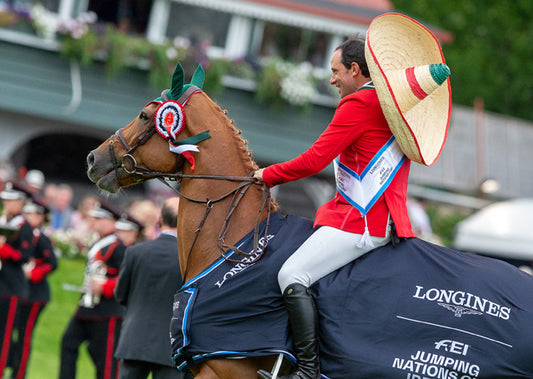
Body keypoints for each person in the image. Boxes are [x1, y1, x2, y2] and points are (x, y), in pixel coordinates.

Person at [254, 38, 416, 379]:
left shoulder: (358, 104)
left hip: (363, 220)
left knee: (291, 274)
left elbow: (315, 160)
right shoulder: (390, 104)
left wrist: (265, 175)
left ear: (355, 70)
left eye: (335, 71)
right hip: (382, 217)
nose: (332, 80)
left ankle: (308, 372)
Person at [114, 197, 190, 379]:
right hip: (173, 347)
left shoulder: (135, 252)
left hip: (134, 341)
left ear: (159, 220)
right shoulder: (190, 261)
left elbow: (120, 294)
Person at [59, 201, 126, 379]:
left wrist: (104, 286)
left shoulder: (118, 247)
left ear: (110, 221)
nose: (93, 221)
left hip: (107, 311)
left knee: (104, 359)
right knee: (68, 343)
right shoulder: (100, 242)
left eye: (98, 218)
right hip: (87, 307)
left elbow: (126, 279)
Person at [7, 198, 57, 379]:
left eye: (34, 214)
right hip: (18, 290)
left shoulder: (41, 238)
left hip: (35, 295)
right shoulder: (22, 232)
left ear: (41, 217)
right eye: (27, 213)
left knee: (23, 336)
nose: (29, 217)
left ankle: (19, 374)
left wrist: (35, 273)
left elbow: (52, 263)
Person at [0, 182, 34, 376]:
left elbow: (25, 255)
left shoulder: (23, 225)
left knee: (4, 336)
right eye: (5, 198)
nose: (6, 202)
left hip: (11, 288)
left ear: (20, 202)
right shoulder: (4, 220)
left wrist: (3, 249)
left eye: (11, 199)